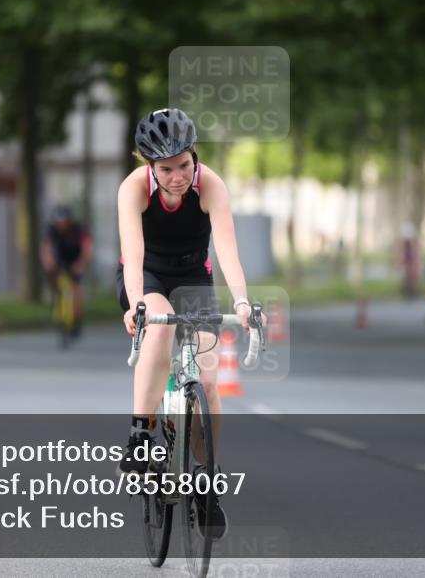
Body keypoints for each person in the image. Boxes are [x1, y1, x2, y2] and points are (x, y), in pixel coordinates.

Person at [115, 107, 255, 540]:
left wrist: (242, 302)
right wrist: (136, 304)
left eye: (183, 165)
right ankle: (141, 434)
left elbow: (227, 251)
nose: (177, 177)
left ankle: (206, 477)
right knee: (160, 327)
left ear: (194, 156)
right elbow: (132, 255)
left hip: (194, 275)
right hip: (148, 275)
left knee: (208, 381)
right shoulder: (133, 189)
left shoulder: (210, 185)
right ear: (149, 166)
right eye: (165, 169)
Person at [40, 206, 93, 336]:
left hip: (75, 259)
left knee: (75, 289)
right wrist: (49, 263)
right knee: (52, 276)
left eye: (64, 222)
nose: (61, 226)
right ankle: (54, 298)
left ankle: (77, 320)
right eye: (59, 223)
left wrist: (80, 264)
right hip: (59, 260)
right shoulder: (51, 231)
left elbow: (87, 249)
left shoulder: (78, 230)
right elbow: (46, 249)